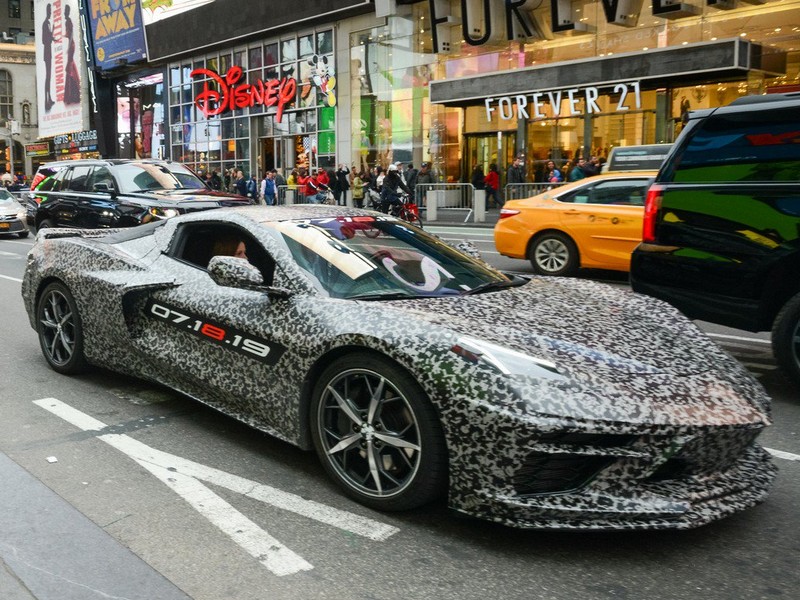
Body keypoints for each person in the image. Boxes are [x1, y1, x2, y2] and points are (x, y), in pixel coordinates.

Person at [41, 4, 54, 110]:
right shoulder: (45, 23)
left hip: (49, 52)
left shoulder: (48, 23)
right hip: (47, 53)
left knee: (49, 77)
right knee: (47, 77)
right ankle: (47, 100)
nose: (50, 13)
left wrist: (53, 38)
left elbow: (49, 37)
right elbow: (44, 40)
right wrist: (50, 38)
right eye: (49, 11)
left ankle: (49, 98)